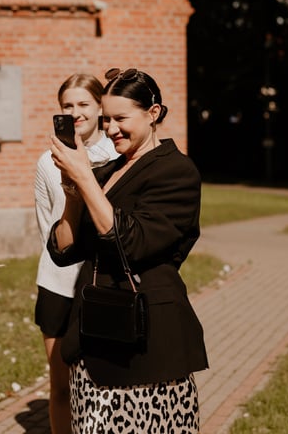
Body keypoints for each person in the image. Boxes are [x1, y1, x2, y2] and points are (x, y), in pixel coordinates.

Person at [46, 68, 208, 432]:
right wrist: (73, 189)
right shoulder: (105, 172)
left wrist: (84, 177)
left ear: (153, 113)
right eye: (106, 120)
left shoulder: (177, 171)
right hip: (92, 339)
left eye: (121, 119)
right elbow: (63, 249)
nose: (111, 129)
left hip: (145, 347)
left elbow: (130, 243)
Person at [33, 73, 119, 434]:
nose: (75, 112)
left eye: (83, 104)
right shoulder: (46, 162)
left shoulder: (119, 156)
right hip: (58, 284)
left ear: (100, 107)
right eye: (67, 106)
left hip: (101, 285)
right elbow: (46, 227)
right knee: (61, 386)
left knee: (106, 385)